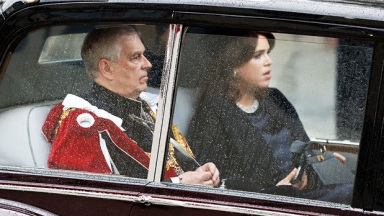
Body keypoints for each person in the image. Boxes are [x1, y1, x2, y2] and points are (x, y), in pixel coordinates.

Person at [187, 29, 353, 203]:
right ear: (234, 64)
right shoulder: (213, 111)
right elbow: (215, 177)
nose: (269, 61)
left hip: (300, 195)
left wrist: (317, 164)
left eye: (268, 53)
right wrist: (275, 191)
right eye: (258, 55)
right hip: (263, 203)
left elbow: (303, 147)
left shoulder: (275, 98)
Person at [42, 25, 220, 187]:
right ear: (107, 69)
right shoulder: (83, 123)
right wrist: (179, 183)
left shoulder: (144, 107)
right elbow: (94, 196)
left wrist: (200, 174)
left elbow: (175, 164)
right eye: (135, 57)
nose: (148, 64)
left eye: (144, 55)